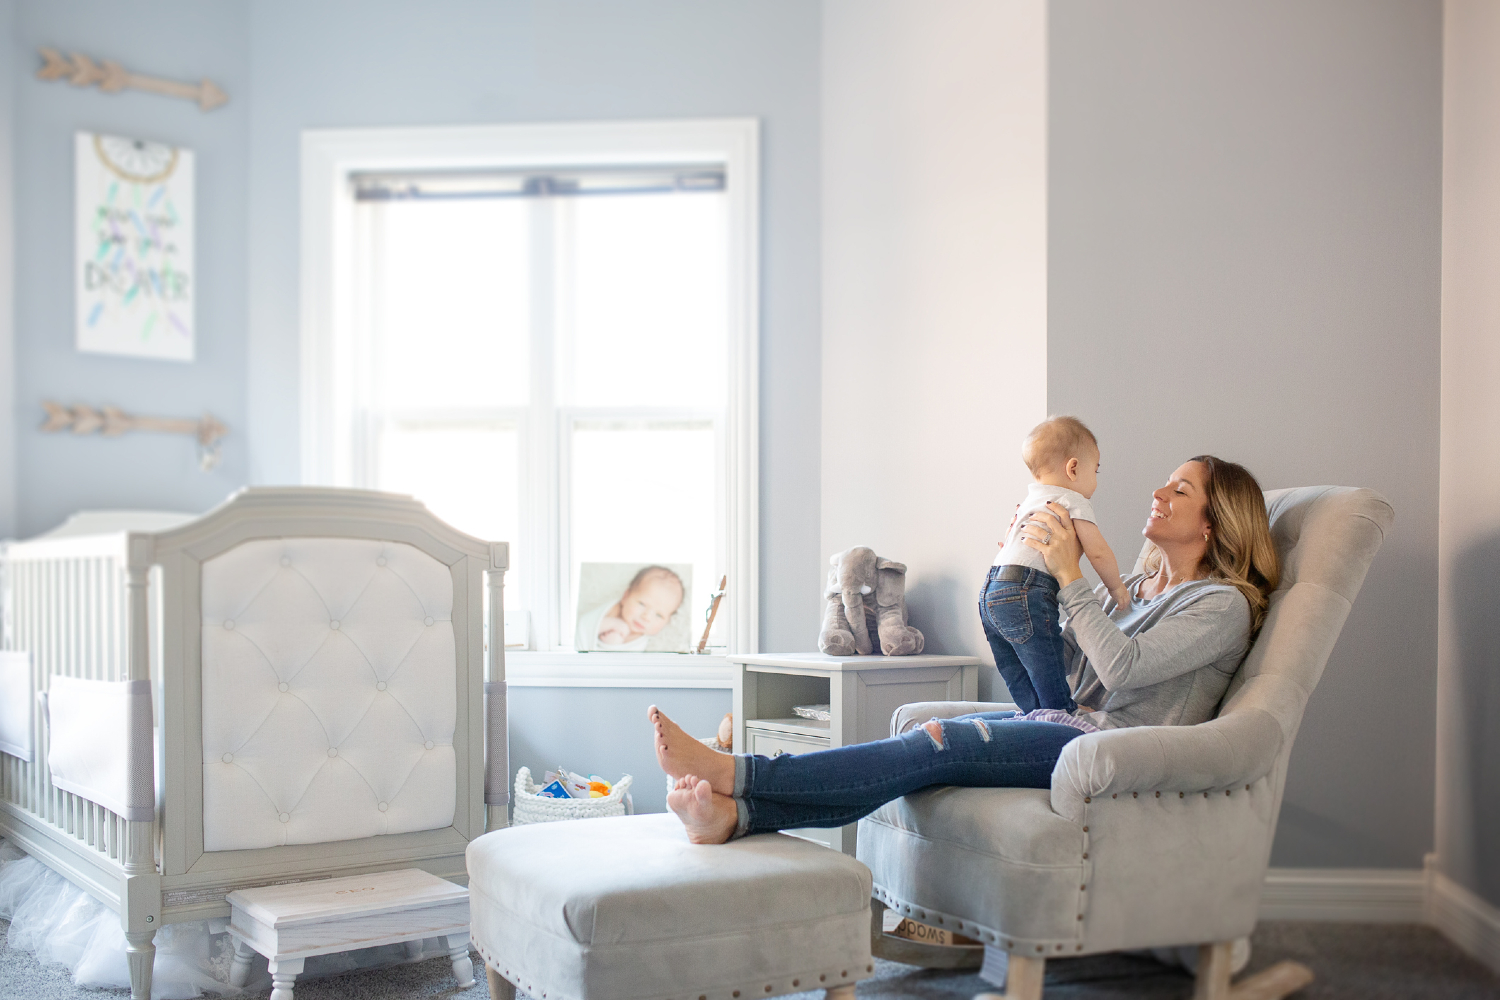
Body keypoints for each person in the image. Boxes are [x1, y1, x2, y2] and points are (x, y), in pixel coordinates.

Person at [651, 455, 1280, 844]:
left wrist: (1071, 577)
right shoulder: (1142, 588)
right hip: (1070, 723)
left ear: (1212, 521)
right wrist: (1021, 581)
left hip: (1111, 748)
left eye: (1179, 489)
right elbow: (1069, 666)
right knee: (929, 729)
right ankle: (739, 818)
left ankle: (740, 774)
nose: (1158, 493)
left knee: (938, 743)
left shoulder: (1223, 605)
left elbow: (1122, 667)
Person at [983, 416, 1128, 713]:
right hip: (1026, 589)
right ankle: (1062, 714)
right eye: (1095, 470)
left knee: (1017, 670)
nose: (1096, 480)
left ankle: (1033, 716)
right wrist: (1117, 588)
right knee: (1045, 662)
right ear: (1073, 468)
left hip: (990, 589)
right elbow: (1097, 551)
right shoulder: (1071, 500)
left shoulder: (1029, 500)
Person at [575, 565, 685, 651]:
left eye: (659, 615)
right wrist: (610, 624)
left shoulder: (642, 644)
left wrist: (612, 644)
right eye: (642, 604)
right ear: (625, 596)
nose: (646, 617)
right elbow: (584, 625)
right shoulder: (613, 610)